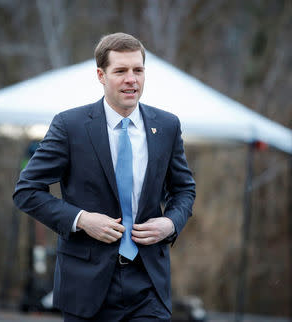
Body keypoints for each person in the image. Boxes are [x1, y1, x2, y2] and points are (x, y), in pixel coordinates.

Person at [13, 32, 195, 321]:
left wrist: (170, 223)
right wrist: (81, 219)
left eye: (138, 70)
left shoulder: (168, 126)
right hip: (86, 286)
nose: (131, 79)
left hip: (148, 284)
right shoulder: (69, 126)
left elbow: (184, 190)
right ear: (101, 75)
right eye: (120, 71)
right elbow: (26, 191)